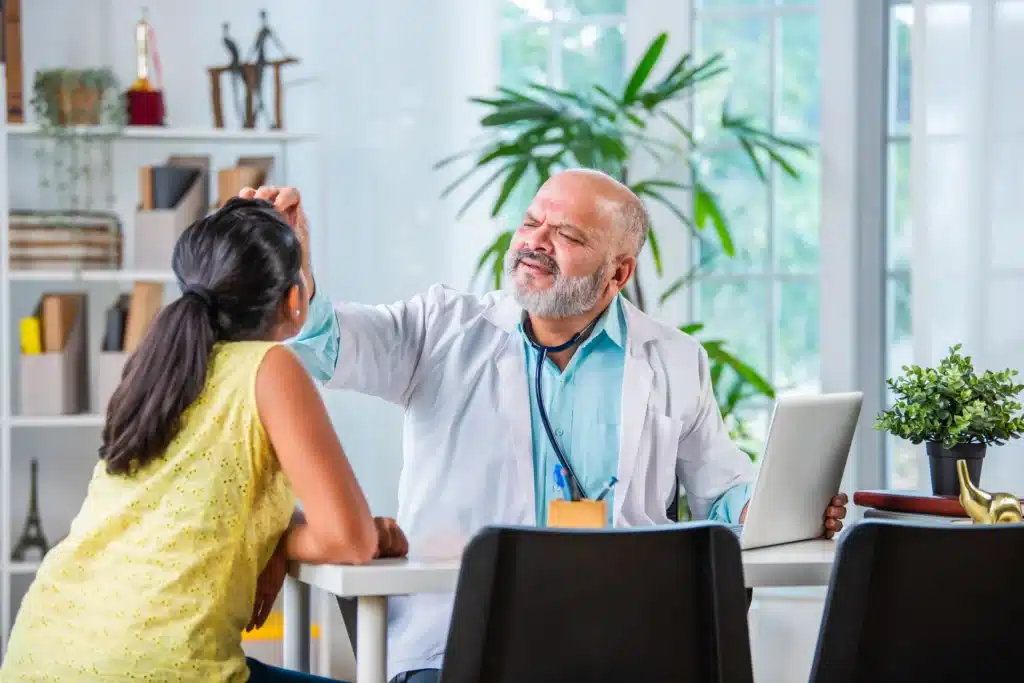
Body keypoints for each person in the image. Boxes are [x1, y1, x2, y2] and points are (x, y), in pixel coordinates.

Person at [243, 169, 849, 683]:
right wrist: (293, 266)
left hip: (621, 642)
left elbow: (723, 491)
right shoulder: (442, 328)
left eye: (567, 236)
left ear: (617, 274)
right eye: (532, 222)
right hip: (460, 641)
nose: (536, 242)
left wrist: (773, 507)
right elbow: (326, 342)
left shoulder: (674, 357)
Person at [0, 198, 407, 683]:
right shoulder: (269, 366)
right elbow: (349, 539)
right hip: (156, 668)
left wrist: (277, 537)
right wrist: (292, 540)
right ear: (295, 298)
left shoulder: (160, 365)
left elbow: (198, 509)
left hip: (39, 652)